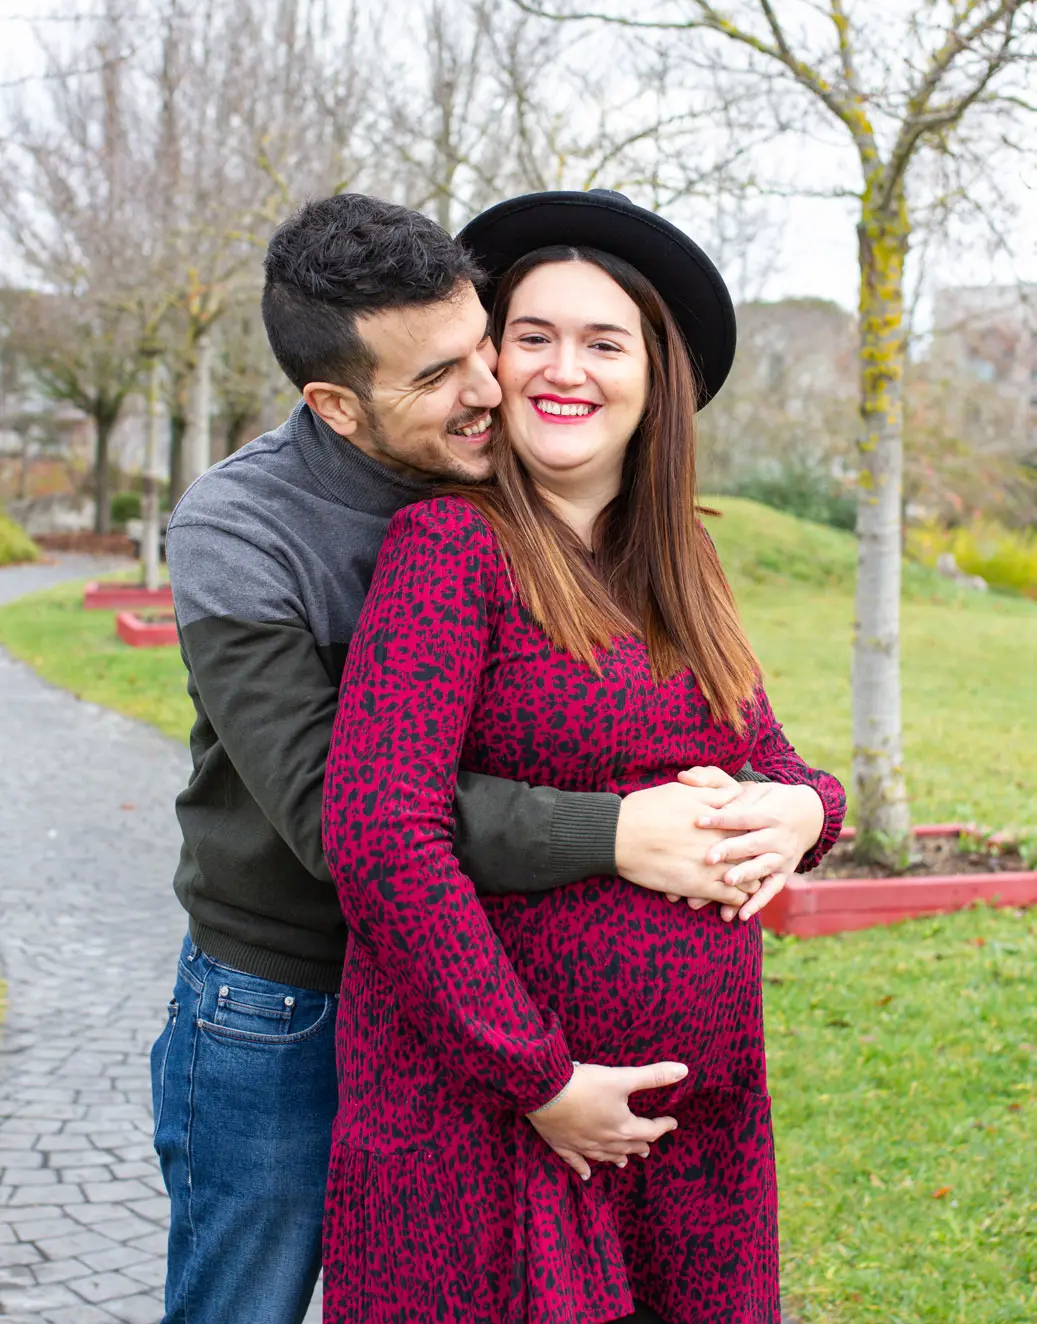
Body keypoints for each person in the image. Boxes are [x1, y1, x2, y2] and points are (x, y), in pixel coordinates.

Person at [152, 194, 775, 1324]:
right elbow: (344, 814)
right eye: (439, 374)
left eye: (482, 341)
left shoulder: (509, 473)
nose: (491, 387)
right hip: (284, 987)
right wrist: (618, 832)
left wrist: (798, 807)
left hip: (467, 1009)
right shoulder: (241, 530)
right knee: (244, 1299)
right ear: (336, 405)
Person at [321, 189, 846, 1324]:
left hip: (691, 1143)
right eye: (533, 336)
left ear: (654, 376)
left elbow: (769, 757)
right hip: (499, 1131)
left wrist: (808, 811)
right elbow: (378, 836)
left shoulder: (681, 557)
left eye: (603, 342)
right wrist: (539, 1078)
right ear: (491, 363)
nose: (565, 369)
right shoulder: (450, 548)